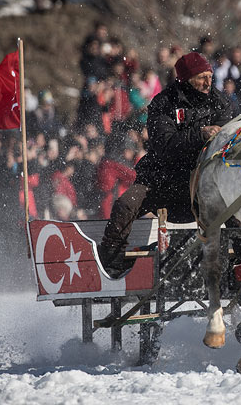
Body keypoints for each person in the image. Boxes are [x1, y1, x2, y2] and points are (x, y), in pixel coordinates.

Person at [98, 52, 233, 277]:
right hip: (163, 179)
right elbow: (164, 144)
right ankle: (112, 266)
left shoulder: (220, 102)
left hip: (202, 182)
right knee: (125, 204)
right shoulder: (163, 102)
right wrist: (200, 135)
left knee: (238, 205)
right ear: (186, 79)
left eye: (210, 76)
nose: (208, 82)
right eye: (201, 77)